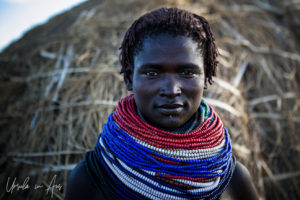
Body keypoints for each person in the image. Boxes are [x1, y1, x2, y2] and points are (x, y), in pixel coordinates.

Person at [65, 7, 259, 200]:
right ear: (129, 78)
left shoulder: (232, 179)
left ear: (206, 76)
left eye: (187, 73)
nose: (172, 90)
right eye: (152, 73)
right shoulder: (91, 181)